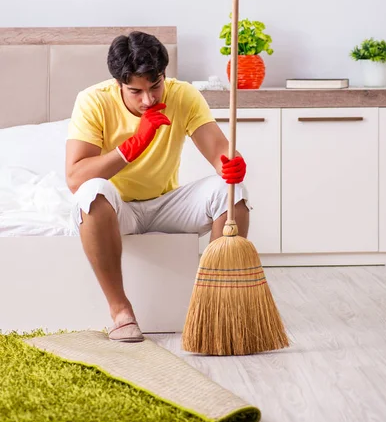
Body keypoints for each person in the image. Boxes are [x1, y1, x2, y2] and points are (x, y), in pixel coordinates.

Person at [66, 31, 249, 342]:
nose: (148, 100)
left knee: (232, 192)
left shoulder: (184, 95)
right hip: (117, 209)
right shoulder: (92, 100)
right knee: (91, 192)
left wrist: (231, 163)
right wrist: (133, 145)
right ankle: (121, 311)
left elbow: (218, 148)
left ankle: (217, 303)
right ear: (118, 84)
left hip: (166, 204)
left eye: (155, 86)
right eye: (135, 91)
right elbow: (75, 177)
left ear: (165, 74)